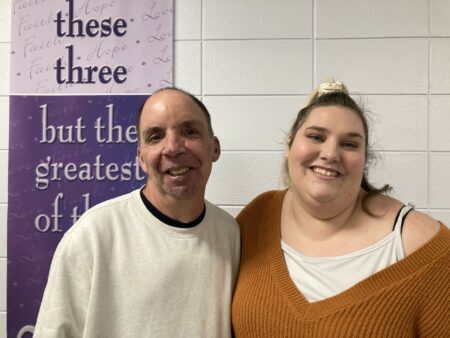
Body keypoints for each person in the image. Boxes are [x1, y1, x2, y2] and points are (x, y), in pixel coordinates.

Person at [232, 80, 449, 337]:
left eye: (349, 144)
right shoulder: (256, 217)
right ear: (288, 146)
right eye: (316, 137)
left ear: (364, 159)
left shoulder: (425, 248)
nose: (330, 153)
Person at [34, 88, 240, 338]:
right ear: (141, 158)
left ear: (214, 148)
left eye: (190, 131)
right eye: (155, 137)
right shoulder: (93, 235)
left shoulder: (231, 235)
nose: (173, 148)